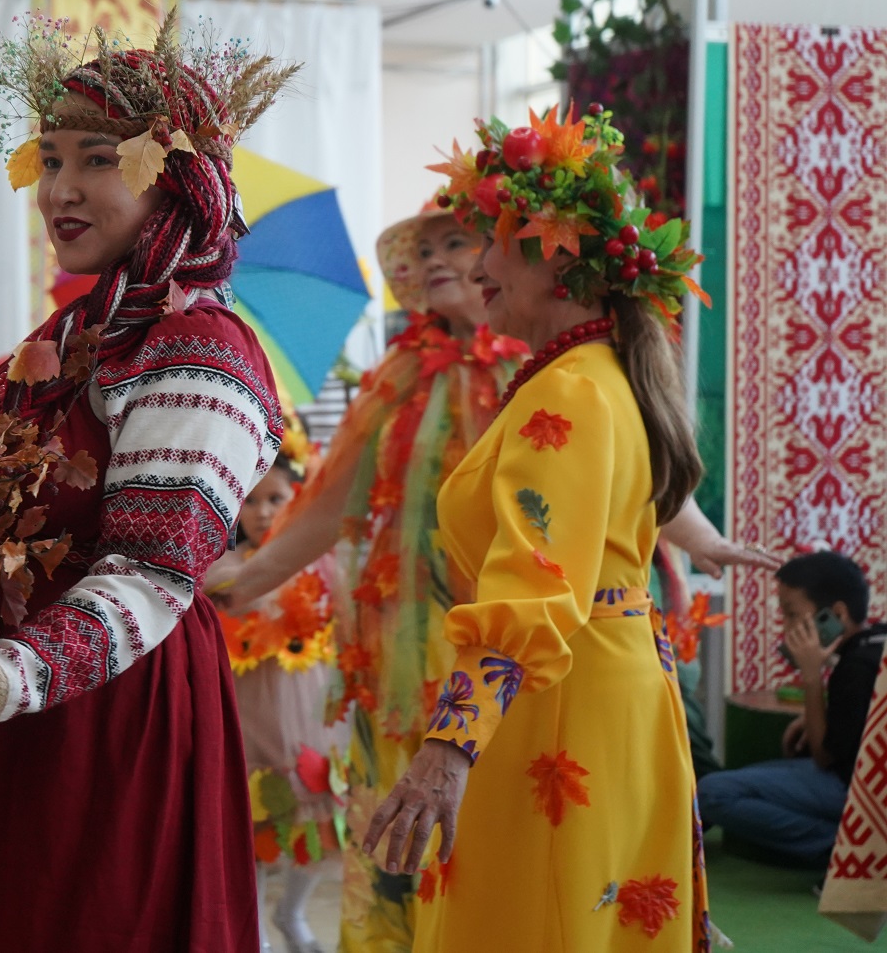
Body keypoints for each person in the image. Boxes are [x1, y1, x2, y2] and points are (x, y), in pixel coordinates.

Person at [0, 13, 295, 951]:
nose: (61, 190)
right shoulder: (72, 336)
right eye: (49, 160)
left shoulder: (197, 349)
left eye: (98, 160)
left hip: (100, 729)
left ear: (176, 178)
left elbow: (155, 577)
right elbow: (6, 506)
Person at [364, 108, 715, 951]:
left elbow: (535, 580)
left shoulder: (569, 391)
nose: (478, 265)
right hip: (600, 686)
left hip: (558, 703)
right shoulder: (593, 376)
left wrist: (450, 746)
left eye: (492, 240)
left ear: (557, 257)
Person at [208, 205, 525, 950]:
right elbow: (325, 508)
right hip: (408, 637)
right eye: (429, 247)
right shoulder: (401, 376)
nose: (441, 258)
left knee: (510, 813)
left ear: (498, 260)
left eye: (458, 241)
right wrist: (241, 583)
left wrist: (700, 540)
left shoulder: (537, 364)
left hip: (519, 636)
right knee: (410, 817)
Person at [212, 442, 346, 953]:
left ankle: (292, 914)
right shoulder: (221, 569)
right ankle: (259, 935)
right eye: (251, 500)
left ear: (299, 498)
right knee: (252, 831)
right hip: (249, 714)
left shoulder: (322, 566)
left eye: (276, 498)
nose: (263, 511)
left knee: (316, 821)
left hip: (309, 709)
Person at [698, 551, 884, 868]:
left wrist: (812, 677)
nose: (786, 627)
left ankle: (842, 851)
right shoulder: (874, 645)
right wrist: (815, 713)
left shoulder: (856, 668)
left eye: (792, 614)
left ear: (837, 614)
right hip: (860, 786)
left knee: (713, 793)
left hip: (857, 792)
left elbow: (825, 756)